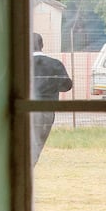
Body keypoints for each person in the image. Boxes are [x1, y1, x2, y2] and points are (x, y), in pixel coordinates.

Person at [30, 32, 73, 167]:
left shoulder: (20, 64)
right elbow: (66, 86)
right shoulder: (55, 64)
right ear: (42, 45)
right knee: (37, 146)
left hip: (25, 109)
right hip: (47, 112)